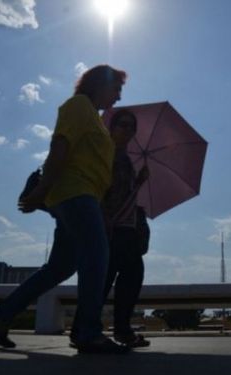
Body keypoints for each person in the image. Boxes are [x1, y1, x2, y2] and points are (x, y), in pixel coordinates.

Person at [0, 64, 130, 354]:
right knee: (97, 255)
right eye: (116, 89)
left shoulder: (94, 118)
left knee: (60, 267)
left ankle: (3, 313)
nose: (117, 97)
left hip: (84, 197)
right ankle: (87, 331)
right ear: (100, 85)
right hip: (75, 194)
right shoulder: (78, 106)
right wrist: (40, 190)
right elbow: (60, 148)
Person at [100, 110, 151, 348]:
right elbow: (99, 186)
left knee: (120, 275)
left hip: (125, 227)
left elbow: (125, 194)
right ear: (111, 126)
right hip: (112, 226)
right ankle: (117, 329)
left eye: (132, 126)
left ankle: (115, 328)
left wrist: (139, 182)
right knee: (119, 275)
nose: (128, 130)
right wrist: (103, 216)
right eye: (123, 125)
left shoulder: (125, 158)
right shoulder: (106, 153)